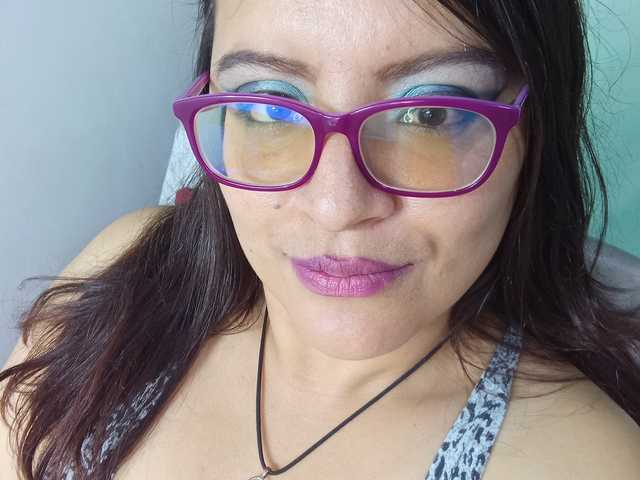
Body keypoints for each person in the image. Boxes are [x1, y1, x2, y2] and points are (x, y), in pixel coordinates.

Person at [1, 1, 640, 479]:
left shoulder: (585, 461)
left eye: (429, 113)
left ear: (535, 128)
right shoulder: (125, 265)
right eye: (269, 106)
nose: (337, 209)